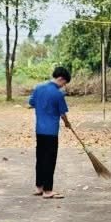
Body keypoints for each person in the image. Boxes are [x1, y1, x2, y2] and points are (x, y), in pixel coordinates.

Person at [28, 66, 73, 199]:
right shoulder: (58, 94)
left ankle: (39, 187)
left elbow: (31, 103)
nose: (63, 86)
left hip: (39, 130)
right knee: (50, 160)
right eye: (64, 83)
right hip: (51, 132)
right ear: (61, 79)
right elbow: (62, 113)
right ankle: (48, 191)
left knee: (40, 158)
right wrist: (67, 123)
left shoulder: (38, 88)